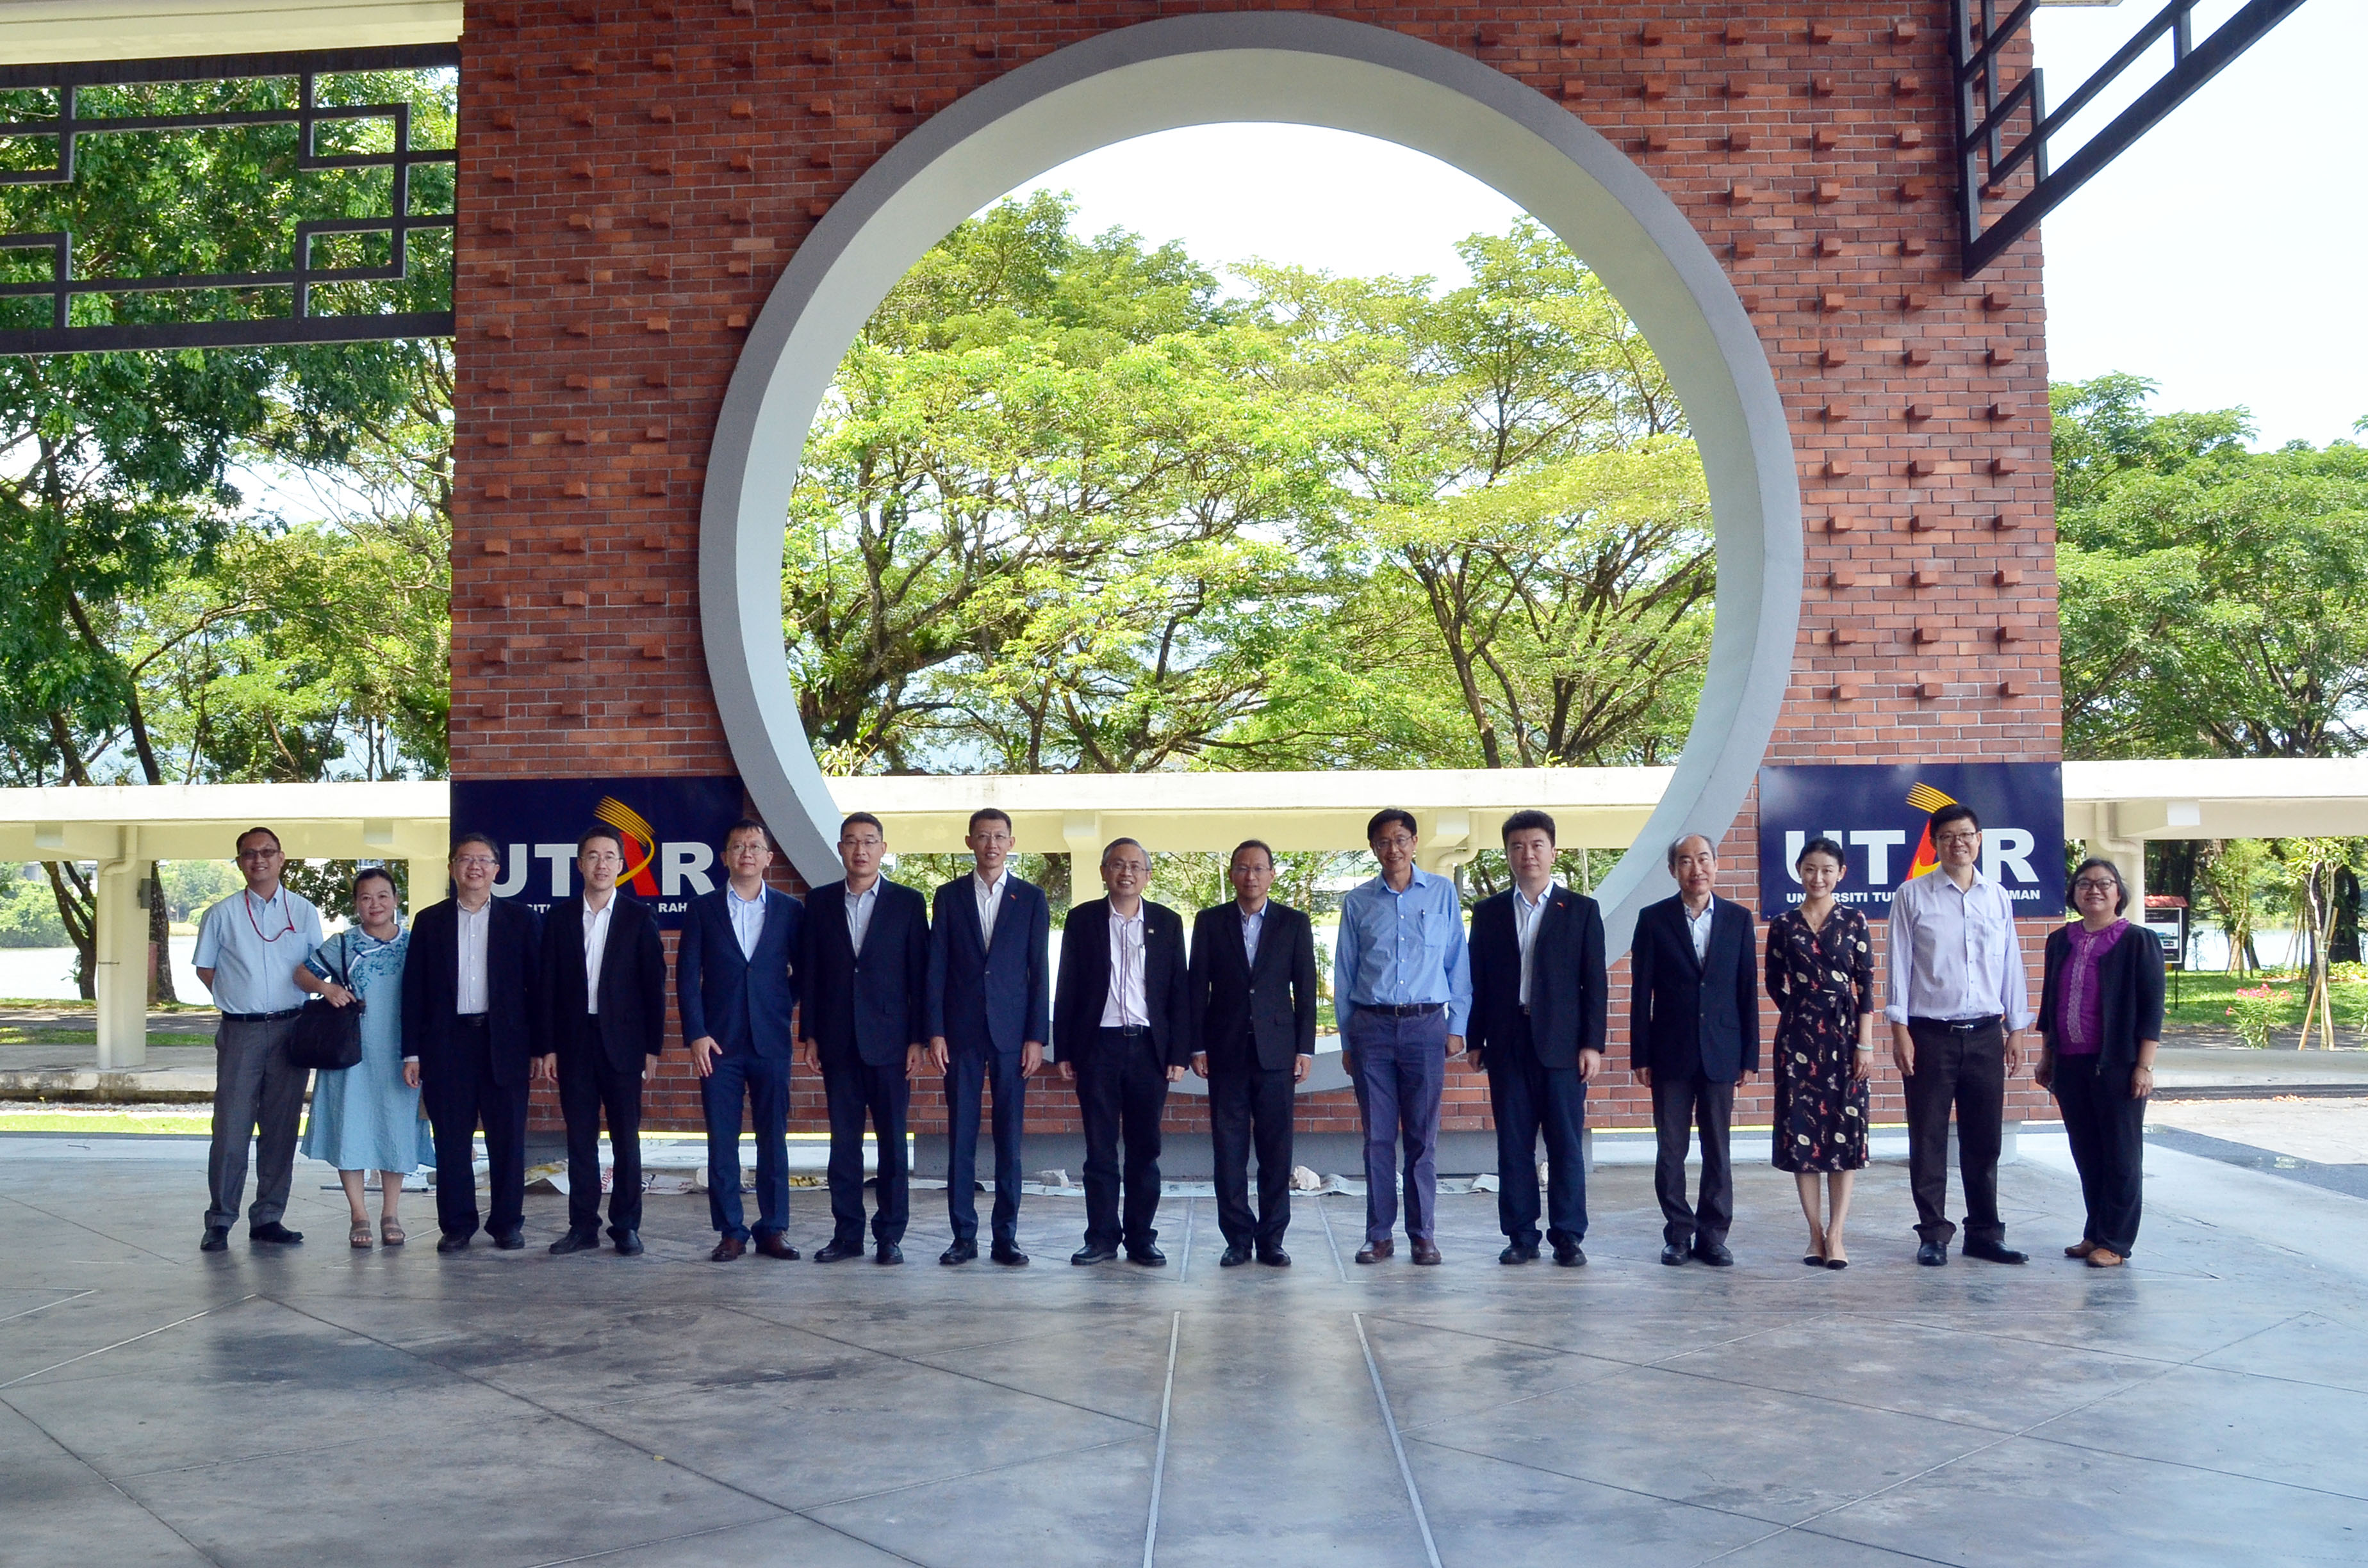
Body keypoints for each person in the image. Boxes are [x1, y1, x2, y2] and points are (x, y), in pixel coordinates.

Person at [1886, 802, 2034, 1267]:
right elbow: (1898, 965)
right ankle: (1933, 1233)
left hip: (1988, 1033)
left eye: (1966, 835)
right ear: (1935, 844)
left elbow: (2011, 963)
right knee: (1927, 1138)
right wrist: (1900, 1029)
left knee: (1984, 1138)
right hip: (1931, 1034)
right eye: (1948, 836)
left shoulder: (1998, 897)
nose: (1958, 843)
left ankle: (1985, 1233)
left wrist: (2016, 1027)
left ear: (1980, 839)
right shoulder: (1912, 895)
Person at [1467, 810, 1606, 1268]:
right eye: (1518, 846)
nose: (1528, 854)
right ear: (1507, 854)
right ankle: (1521, 1236)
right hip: (1507, 1041)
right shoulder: (1488, 913)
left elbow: (1594, 983)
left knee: (1565, 1144)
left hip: (1563, 1045)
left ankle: (1568, 1235)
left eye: (1537, 845)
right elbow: (1479, 980)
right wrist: (1475, 1038)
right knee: (1513, 1144)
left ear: (1553, 851)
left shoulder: (1581, 910)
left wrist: (1592, 1044)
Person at [1335, 808, 1471, 1266]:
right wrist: (1349, 1040)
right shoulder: (1357, 903)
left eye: (1401, 839)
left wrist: (1458, 1027)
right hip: (1371, 1029)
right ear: (1373, 848)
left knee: (1422, 1138)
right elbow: (1344, 973)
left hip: (1426, 1027)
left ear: (1414, 843)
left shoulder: (1442, 893)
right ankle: (1379, 1235)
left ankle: (1422, 1235)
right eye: (1383, 842)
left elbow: (1458, 963)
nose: (1392, 849)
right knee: (1376, 1138)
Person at [402, 833, 544, 1253]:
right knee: (451, 1141)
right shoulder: (430, 922)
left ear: (498, 870)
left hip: (506, 1046)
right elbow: (414, 992)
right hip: (447, 1046)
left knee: (507, 1140)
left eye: (484, 860)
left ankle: (506, 1224)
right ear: (452, 868)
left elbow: (538, 989)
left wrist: (540, 1047)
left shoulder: (521, 920)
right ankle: (457, 1224)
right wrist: (412, 1052)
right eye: (466, 860)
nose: (475, 867)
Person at [800, 812, 930, 1265]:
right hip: (837, 1041)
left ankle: (890, 1236)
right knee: (844, 1146)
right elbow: (810, 973)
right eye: (852, 841)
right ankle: (847, 1234)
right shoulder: (817, 903)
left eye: (869, 842)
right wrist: (810, 1034)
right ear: (840, 848)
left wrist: (919, 1039)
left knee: (894, 1144)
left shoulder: (909, 903)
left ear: (882, 848)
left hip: (892, 1043)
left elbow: (921, 975)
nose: (861, 850)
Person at [1053, 838, 1190, 1266]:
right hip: (1099, 1046)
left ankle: (1141, 1238)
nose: (1126, 872)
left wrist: (1178, 1053)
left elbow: (1178, 993)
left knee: (1145, 1148)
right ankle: (1101, 1237)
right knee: (1100, 1149)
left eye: (1135, 866)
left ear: (1147, 876)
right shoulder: (1083, 920)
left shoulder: (1167, 923)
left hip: (1149, 1047)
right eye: (1117, 865)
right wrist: (1066, 1050)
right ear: (1103, 871)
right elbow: (1068, 986)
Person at [926, 807, 1050, 1266]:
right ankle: (963, 1236)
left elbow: (1040, 972)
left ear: (1011, 843)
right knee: (961, 1136)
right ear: (969, 842)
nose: (991, 844)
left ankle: (1006, 1237)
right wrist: (935, 1031)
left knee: (1009, 1139)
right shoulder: (949, 896)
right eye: (983, 836)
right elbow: (936, 967)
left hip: (1013, 1036)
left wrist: (1037, 1036)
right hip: (960, 1034)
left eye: (1000, 837)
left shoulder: (1031, 898)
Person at [1186, 839, 1319, 1268]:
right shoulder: (1210, 922)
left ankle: (1273, 1239)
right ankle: (1238, 1239)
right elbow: (1196, 989)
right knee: (1229, 1151)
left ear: (1272, 874)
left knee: (1276, 1151)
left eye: (1259, 868)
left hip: (1278, 1053)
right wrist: (1197, 1045)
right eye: (1243, 868)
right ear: (1232, 874)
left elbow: (1307, 989)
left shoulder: (1294, 923)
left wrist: (1305, 1048)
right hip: (1225, 1051)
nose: (1251, 876)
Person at [194, 826, 326, 1251]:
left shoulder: (304, 911)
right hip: (241, 1030)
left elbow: (315, 967)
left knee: (280, 1128)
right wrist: (238, 998)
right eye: (249, 854)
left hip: (291, 1029)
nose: (259, 860)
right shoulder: (222, 914)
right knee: (231, 1128)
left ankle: (269, 1217)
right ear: (239, 862)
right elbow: (206, 969)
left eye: (267, 852)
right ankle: (220, 1219)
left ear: (282, 858)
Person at [1631, 833, 1759, 1268]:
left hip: (1722, 1051)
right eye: (1685, 861)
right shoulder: (1653, 920)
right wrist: (1641, 1056)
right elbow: (1640, 993)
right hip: (1670, 1052)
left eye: (1703, 859)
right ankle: (1678, 1233)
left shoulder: (1738, 920)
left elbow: (1747, 992)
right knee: (1671, 1149)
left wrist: (1749, 1057)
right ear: (1673, 870)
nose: (1696, 868)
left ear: (1716, 865)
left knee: (1718, 1147)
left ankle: (1713, 1235)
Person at [679, 819, 803, 1262]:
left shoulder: (791, 910)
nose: (747, 853)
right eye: (738, 847)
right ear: (725, 857)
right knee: (722, 1140)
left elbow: (804, 973)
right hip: (719, 1044)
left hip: (771, 1041)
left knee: (774, 1139)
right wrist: (696, 1033)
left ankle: (773, 1228)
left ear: (769, 858)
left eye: (755, 847)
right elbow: (687, 978)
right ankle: (731, 1230)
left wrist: (777, 1006)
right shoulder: (703, 909)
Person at [541, 828, 668, 1256]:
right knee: (579, 1139)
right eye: (592, 856)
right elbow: (548, 987)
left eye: (609, 856)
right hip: (575, 1043)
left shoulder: (638, 916)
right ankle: (582, 1227)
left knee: (626, 1141)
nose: (601, 864)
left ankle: (626, 1226)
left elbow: (655, 987)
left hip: (625, 1045)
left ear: (620, 864)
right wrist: (549, 1046)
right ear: (580, 864)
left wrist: (653, 1048)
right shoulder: (557, 919)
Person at [2034, 858, 2164, 1269]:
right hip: (2070, 1064)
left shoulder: (2138, 941)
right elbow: (2049, 1003)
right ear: (2073, 893)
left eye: (2104, 883)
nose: (2095, 890)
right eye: (2085, 884)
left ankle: (2117, 1242)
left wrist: (2144, 1067)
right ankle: (2095, 1233)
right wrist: (2047, 1055)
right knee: (2087, 1152)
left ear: (2119, 893)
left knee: (2121, 1156)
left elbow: (2151, 1010)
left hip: (2118, 1065)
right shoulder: (2061, 940)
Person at [294, 867, 423, 1249]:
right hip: (350, 1052)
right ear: (356, 905)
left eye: (383, 896)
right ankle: (358, 1214)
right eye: (366, 898)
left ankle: (390, 1212)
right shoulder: (344, 944)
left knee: (395, 1127)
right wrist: (326, 988)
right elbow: (302, 974)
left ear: (396, 900)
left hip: (400, 1051)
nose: (375, 905)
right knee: (350, 1125)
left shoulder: (415, 944)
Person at [1765, 837, 1875, 1270]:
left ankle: (1837, 1234)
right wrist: (1802, 1011)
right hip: (1798, 1038)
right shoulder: (1784, 924)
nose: (1818, 877)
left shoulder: (1854, 920)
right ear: (1799, 870)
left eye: (1827, 869)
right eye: (1810, 868)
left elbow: (1866, 986)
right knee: (1802, 1133)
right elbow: (1775, 982)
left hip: (1846, 1038)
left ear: (1841, 873)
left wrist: (1864, 1042)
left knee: (1844, 1132)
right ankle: (1813, 1233)